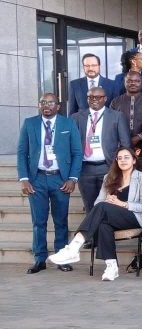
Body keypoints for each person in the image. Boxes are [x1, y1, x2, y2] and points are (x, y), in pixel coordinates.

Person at [47, 147, 142, 281]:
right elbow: (98, 203)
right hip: (112, 217)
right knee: (103, 223)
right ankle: (111, 266)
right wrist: (108, 201)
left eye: (126, 157)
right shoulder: (109, 177)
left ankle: (74, 247)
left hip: (135, 217)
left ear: (134, 160)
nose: (123, 160)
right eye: (119, 158)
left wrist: (122, 204)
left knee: (103, 208)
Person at [18, 93, 82, 274]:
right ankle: (40, 259)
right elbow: (22, 152)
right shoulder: (29, 123)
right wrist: (24, 179)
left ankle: (61, 258)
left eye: (50, 102)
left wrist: (72, 178)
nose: (46, 105)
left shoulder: (68, 124)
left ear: (58, 106)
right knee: (39, 221)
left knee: (61, 221)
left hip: (60, 179)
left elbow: (77, 153)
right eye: (43, 102)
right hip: (36, 179)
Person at [71, 86, 130, 213]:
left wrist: (121, 168)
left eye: (98, 97)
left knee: (110, 206)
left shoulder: (117, 116)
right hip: (85, 169)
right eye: (91, 97)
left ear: (105, 99)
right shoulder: (76, 117)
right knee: (90, 207)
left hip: (108, 167)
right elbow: (70, 143)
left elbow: (125, 144)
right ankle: (92, 227)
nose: (94, 100)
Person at [110, 71, 142, 150]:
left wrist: (139, 137)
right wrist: (123, 139)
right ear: (124, 83)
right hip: (120, 144)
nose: (133, 83)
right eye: (129, 81)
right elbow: (111, 124)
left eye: (137, 81)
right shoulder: (115, 102)